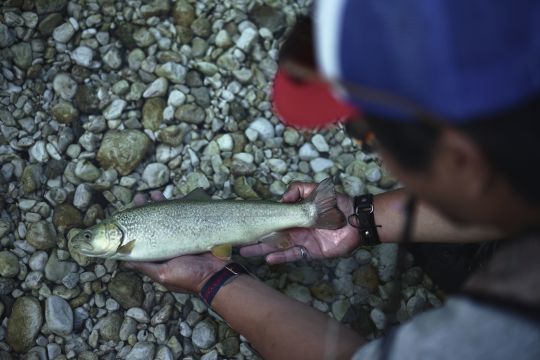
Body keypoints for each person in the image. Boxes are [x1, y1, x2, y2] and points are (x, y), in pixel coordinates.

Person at [126, 0, 540, 359]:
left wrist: (212, 278)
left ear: (462, 158)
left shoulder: (510, 325)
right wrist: (363, 217)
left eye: (366, 134)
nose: (372, 149)